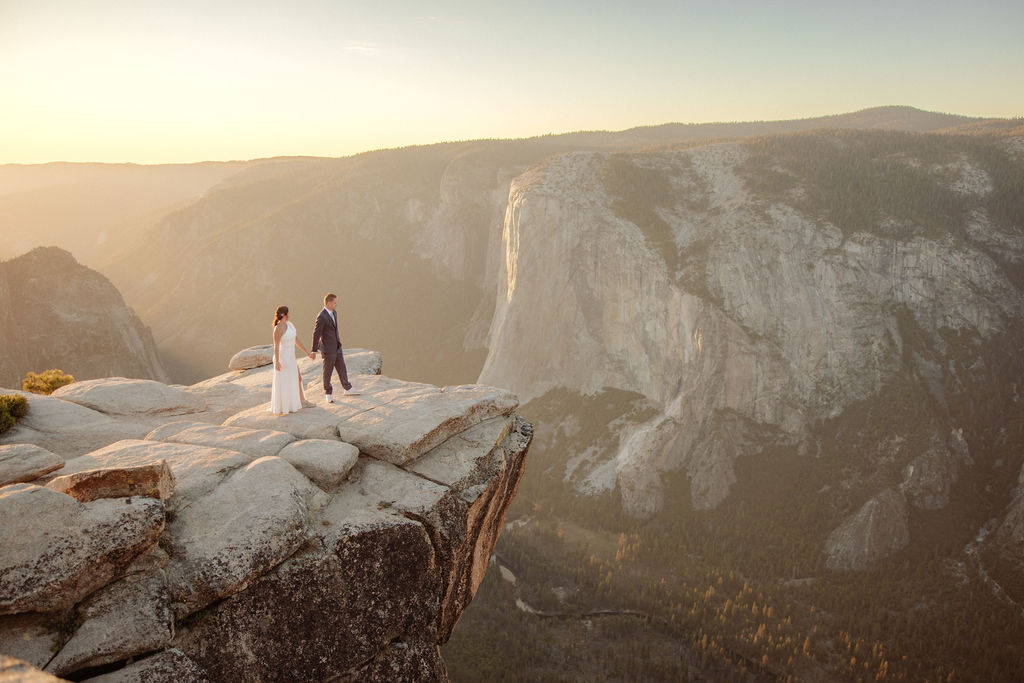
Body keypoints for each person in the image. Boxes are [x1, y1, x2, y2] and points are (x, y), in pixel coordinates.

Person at [311, 292, 358, 403]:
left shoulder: (334, 313)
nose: (336, 305)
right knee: (328, 371)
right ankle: (328, 393)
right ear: (328, 303)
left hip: (337, 346)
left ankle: (348, 388)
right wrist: (313, 350)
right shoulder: (321, 316)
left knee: (342, 367)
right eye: (335, 303)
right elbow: (316, 334)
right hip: (328, 349)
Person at [269, 305, 315, 415]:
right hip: (283, 356)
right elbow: (276, 346)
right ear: (283, 315)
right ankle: (289, 405)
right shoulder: (278, 328)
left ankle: (302, 401)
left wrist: (307, 352)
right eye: (288, 313)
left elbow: (296, 340)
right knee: (287, 380)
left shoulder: (289, 325)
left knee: (298, 378)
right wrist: (276, 362)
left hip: (291, 356)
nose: (289, 315)